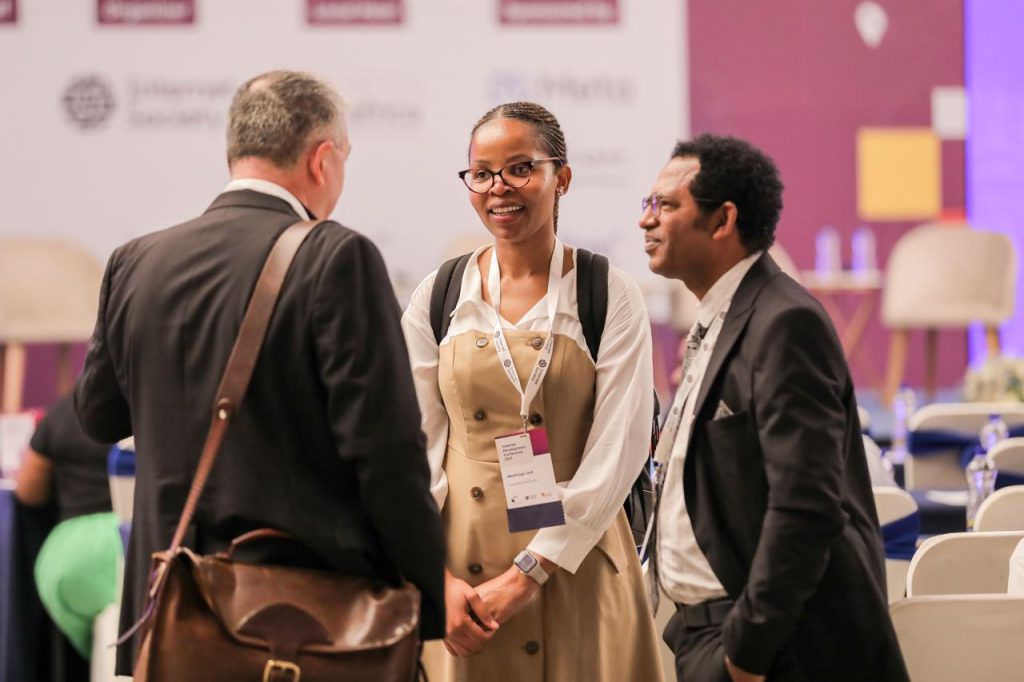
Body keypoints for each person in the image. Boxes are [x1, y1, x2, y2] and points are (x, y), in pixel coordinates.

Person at [74, 70, 445, 676]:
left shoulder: (135, 261)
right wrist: (432, 593)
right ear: (323, 160)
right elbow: (386, 452)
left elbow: (99, 416)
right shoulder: (337, 256)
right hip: (301, 624)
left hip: (168, 615)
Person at [401, 101, 664, 682]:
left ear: (561, 177)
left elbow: (617, 457)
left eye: (521, 168)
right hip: (460, 588)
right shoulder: (438, 295)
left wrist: (526, 576)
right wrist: (433, 580)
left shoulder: (607, 294)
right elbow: (412, 451)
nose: (500, 189)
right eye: (483, 173)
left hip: (578, 565)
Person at [640, 133, 909, 682]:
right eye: (646, 205)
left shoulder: (785, 321)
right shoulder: (723, 318)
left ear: (723, 221)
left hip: (780, 650)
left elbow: (805, 505)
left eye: (665, 205)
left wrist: (746, 653)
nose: (647, 221)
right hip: (712, 635)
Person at [14, 394, 120, 660]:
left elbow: (28, 492)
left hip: (72, 558)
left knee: (100, 651)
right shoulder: (167, 408)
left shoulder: (62, 413)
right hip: (144, 544)